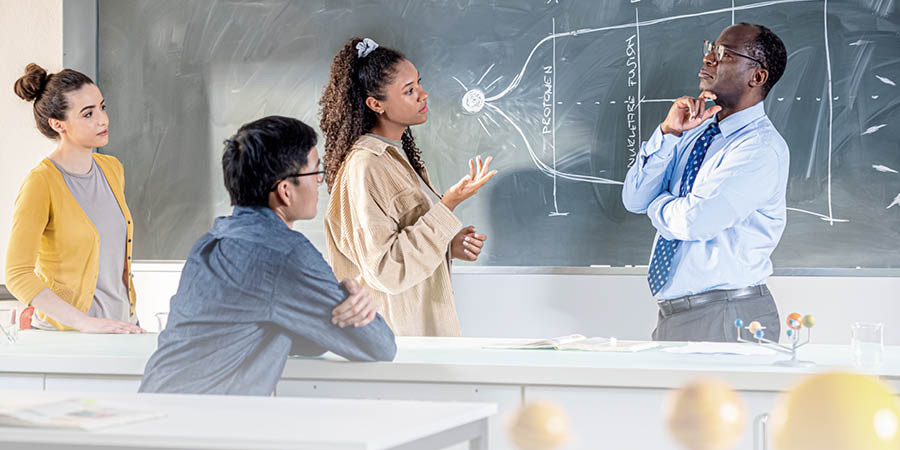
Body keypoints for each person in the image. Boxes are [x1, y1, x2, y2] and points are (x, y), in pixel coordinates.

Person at [140, 116, 396, 395]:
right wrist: (357, 304)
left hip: (156, 406)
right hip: (205, 423)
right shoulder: (286, 254)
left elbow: (274, 330)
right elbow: (380, 345)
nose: (321, 181)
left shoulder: (211, 241)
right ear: (285, 191)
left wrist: (333, 311)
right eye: (316, 171)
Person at [622, 23, 789, 342]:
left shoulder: (759, 149)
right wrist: (669, 134)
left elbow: (696, 220)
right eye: (711, 48)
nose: (709, 58)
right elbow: (633, 198)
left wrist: (657, 203)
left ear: (757, 77)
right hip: (677, 314)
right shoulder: (695, 130)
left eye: (724, 53)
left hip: (728, 316)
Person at [319, 37, 497, 337]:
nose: (424, 95)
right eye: (409, 90)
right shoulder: (366, 166)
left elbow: (401, 245)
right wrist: (448, 206)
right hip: (396, 343)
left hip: (420, 338)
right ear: (376, 104)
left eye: (419, 84)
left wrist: (447, 246)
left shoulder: (396, 157)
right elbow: (386, 270)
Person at [5, 63, 144, 333]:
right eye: (88, 114)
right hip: (66, 336)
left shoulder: (112, 169)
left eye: (102, 108)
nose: (102, 119)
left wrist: (128, 319)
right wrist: (85, 323)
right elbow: (17, 273)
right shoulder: (41, 183)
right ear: (58, 124)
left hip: (121, 327)